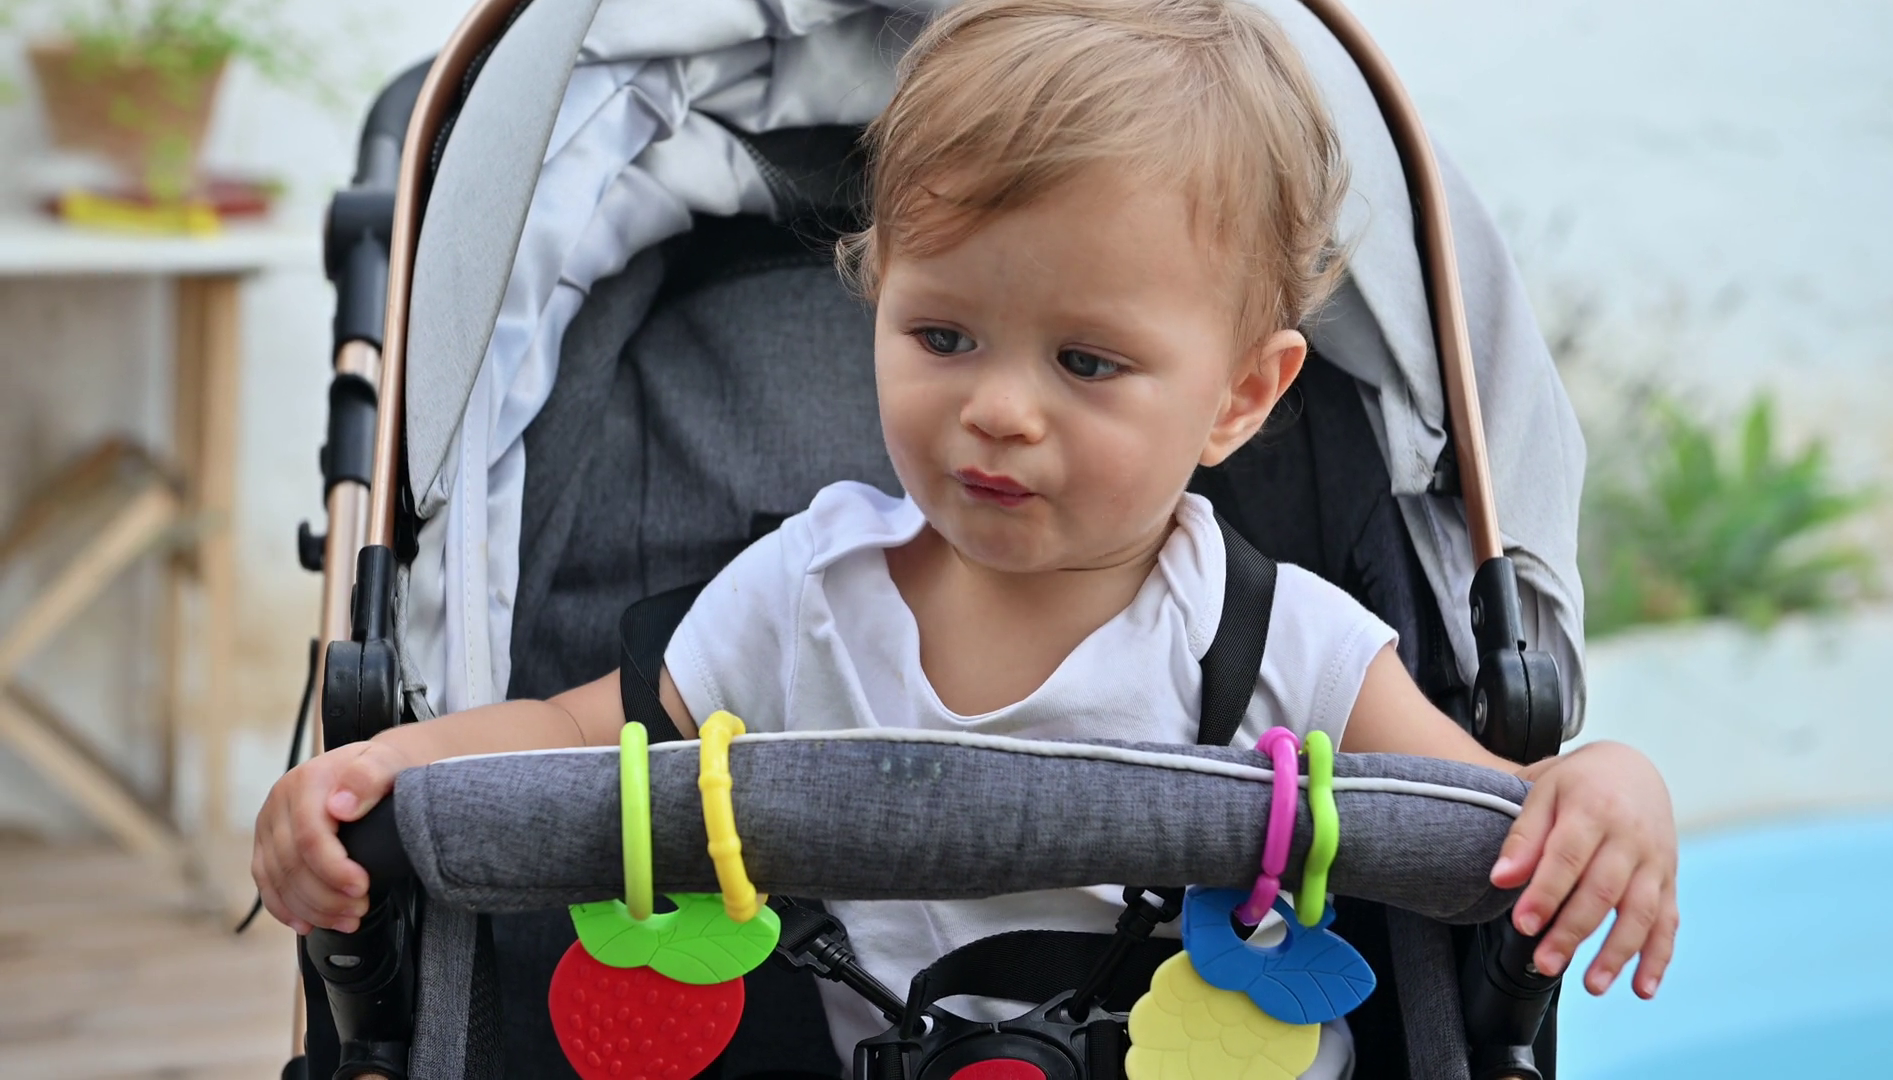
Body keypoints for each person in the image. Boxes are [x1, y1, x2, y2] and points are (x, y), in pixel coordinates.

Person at [254, 0, 1677, 1071]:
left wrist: (1605, 786)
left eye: (1087, 363)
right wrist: (386, 764)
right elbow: (571, 740)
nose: (997, 410)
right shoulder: (804, 592)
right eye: (942, 335)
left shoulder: (1286, 639)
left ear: (1242, 397)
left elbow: (1490, 811)